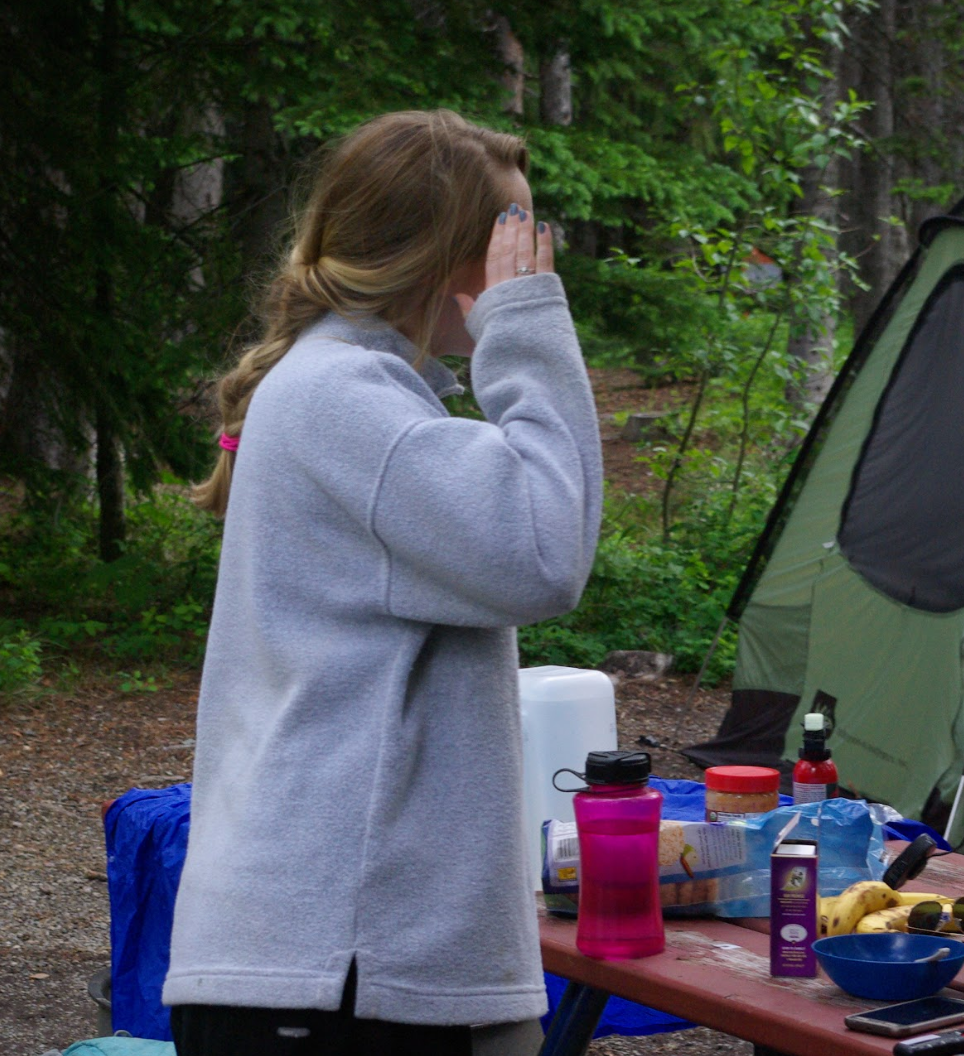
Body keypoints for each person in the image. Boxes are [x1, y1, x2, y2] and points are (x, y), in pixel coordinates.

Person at [164, 110, 603, 1055]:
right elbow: (544, 552)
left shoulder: (354, 393)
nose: (530, 268)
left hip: (345, 952)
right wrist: (525, 332)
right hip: (339, 965)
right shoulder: (346, 401)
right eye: (512, 239)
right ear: (437, 257)